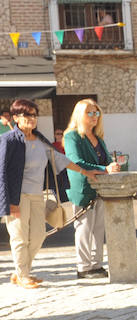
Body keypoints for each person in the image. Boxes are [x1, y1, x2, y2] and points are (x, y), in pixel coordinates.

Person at [0, 99, 102, 288]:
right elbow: (2, 173)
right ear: (15, 118)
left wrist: (85, 172)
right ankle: (23, 275)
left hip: (38, 196)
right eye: (27, 115)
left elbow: (60, 159)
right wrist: (9, 203)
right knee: (19, 236)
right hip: (18, 197)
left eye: (34, 115)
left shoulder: (40, 140)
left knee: (39, 235)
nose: (31, 118)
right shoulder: (8, 141)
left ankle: (19, 271)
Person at [64, 99, 120, 280]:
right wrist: (105, 169)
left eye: (97, 113)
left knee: (98, 228)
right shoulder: (72, 136)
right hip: (82, 188)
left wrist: (112, 165)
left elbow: (104, 161)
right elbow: (75, 161)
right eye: (90, 113)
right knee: (84, 228)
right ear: (80, 114)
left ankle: (96, 265)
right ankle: (83, 266)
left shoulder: (99, 137)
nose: (94, 116)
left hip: (101, 188)